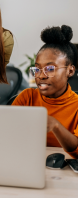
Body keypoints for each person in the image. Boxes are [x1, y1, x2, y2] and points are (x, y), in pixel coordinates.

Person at [12, 25, 78, 158]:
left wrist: (56, 126)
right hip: (27, 160)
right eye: (37, 69)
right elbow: (7, 133)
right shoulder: (27, 97)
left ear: (70, 70)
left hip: (65, 168)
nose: (40, 76)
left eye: (50, 69)